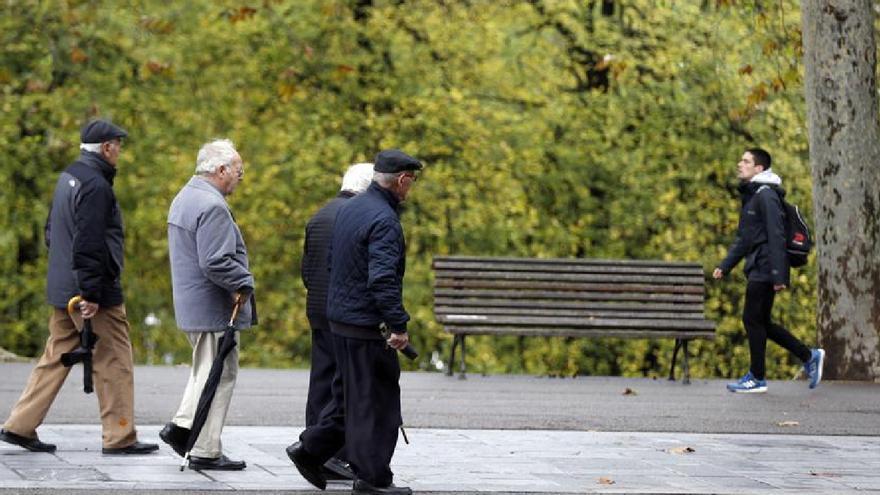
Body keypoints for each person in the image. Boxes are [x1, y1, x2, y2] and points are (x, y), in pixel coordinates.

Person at [0, 119, 158, 455]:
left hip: (63, 287)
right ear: (106, 148)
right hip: (90, 293)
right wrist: (91, 292)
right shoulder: (97, 186)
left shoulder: (69, 176)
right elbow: (89, 243)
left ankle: (20, 425)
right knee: (114, 359)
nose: (120, 151)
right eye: (118, 144)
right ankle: (120, 436)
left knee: (56, 355)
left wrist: (69, 280)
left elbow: (51, 232)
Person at [287, 149, 421, 495]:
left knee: (348, 397)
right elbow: (382, 280)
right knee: (377, 403)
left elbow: (331, 264)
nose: (411, 189)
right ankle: (373, 478)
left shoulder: (350, 210)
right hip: (366, 326)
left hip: (340, 322)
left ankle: (310, 449)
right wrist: (398, 325)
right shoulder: (385, 221)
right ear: (402, 180)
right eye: (412, 181)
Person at [159, 139, 256, 471]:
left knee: (206, 371)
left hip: (194, 306)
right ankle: (202, 446)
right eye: (238, 171)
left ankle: (186, 430)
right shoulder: (211, 205)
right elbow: (215, 261)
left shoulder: (185, 197)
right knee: (219, 374)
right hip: (213, 308)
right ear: (221, 170)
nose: (241, 178)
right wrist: (244, 282)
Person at [713, 147, 825, 393]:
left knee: (751, 319)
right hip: (759, 265)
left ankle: (757, 377)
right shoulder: (754, 196)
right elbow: (744, 239)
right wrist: (725, 265)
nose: (739, 164)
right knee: (761, 321)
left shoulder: (766, 195)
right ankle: (808, 355)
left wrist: (779, 275)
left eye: (745, 161)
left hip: (765, 267)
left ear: (759, 168)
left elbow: (777, 235)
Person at [301, 162, 375, 481]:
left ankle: (313, 448)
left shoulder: (319, 215)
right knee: (345, 386)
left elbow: (307, 268)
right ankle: (336, 455)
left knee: (321, 381)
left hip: (317, 308)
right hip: (343, 313)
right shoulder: (355, 217)